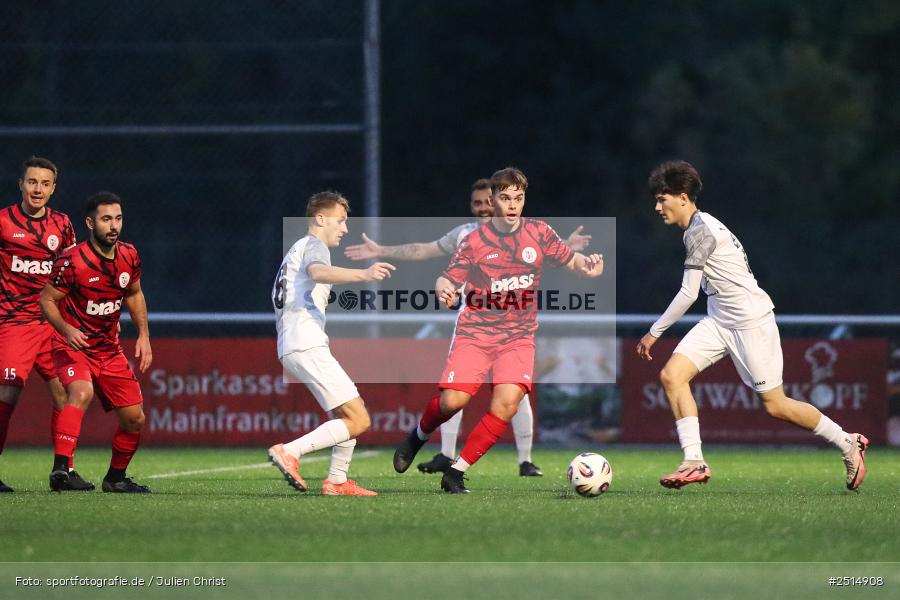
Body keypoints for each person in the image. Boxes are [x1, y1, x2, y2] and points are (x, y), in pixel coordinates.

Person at [635, 160, 868, 491]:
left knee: (776, 405)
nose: (657, 206)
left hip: (750, 322)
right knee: (672, 375)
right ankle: (694, 461)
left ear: (683, 197)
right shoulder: (697, 228)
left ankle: (848, 443)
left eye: (662, 198)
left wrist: (654, 332)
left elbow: (688, 293)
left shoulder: (701, 231)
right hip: (719, 319)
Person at [346, 178, 591, 477]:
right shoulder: (467, 236)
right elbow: (426, 252)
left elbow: (552, 253)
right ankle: (435, 447)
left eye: (493, 201)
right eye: (480, 203)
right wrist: (385, 251)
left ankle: (498, 463)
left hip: (516, 334)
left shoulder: (533, 230)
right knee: (454, 399)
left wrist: (577, 255)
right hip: (474, 328)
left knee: (513, 397)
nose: (485, 208)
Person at [268, 191, 395, 496]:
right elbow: (318, 272)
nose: (345, 228)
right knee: (359, 419)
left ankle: (337, 481)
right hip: (306, 342)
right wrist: (363, 274)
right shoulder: (314, 246)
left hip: (296, 342)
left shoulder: (297, 250)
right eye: (341, 220)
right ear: (320, 218)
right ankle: (290, 451)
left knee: (348, 413)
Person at [40, 191, 153, 493]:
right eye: (106, 219)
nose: (113, 225)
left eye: (117, 218)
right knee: (81, 391)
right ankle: (62, 469)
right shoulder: (72, 261)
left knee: (135, 419)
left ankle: (115, 478)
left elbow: (134, 293)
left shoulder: (129, 255)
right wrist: (66, 329)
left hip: (108, 350)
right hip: (73, 345)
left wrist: (143, 334)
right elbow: (47, 300)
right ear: (90, 223)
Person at [0, 157, 93, 492]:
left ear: (53, 188)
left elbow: (71, 273)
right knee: (7, 394)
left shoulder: (62, 224)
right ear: (21, 185)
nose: (37, 189)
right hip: (14, 323)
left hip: (52, 324)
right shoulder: (3, 222)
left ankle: (63, 471)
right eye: (31, 182)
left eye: (44, 183)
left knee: (65, 393)